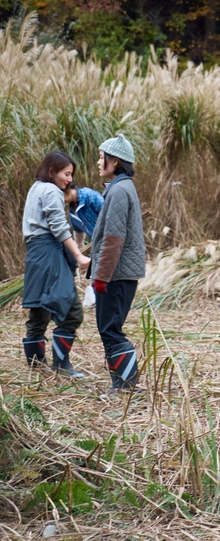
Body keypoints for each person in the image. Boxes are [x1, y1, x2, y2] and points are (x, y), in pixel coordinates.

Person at [21, 151, 91, 377]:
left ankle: (36, 367)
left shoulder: (36, 188)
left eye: (71, 175)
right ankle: (61, 365)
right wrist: (79, 256)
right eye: (66, 174)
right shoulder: (51, 190)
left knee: (39, 310)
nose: (70, 180)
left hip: (36, 255)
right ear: (52, 171)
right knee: (72, 312)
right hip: (49, 253)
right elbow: (58, 227)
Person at [89, 134, 146, 395]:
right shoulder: (119, 188)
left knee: (111, 328)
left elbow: (114, 238)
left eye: (102, 157)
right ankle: (122, 384)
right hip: (118, 273)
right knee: (108, 328)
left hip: (117, 274)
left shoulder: (120, 190)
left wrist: (102, 275)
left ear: (115, 161)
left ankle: (125, 386)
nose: (99, 161)